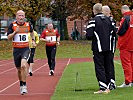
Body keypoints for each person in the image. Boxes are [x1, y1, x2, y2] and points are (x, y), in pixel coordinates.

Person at [86, 3, 116, 94]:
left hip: (98, 47)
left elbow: (89, 35)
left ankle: (103, 87)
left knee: (99, 66)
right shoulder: (109, 20)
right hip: (109, 47)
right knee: (109, 65)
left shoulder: (93, 21)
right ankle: (111, 84)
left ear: (94, 10)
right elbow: (114, 32)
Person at [7, 10, 35, 95]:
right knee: (19, 69)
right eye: (19, 15)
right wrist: (15, 32)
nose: (21, 17)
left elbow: (32, 32)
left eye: (22, 15)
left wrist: (33, 40)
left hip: (25, 49)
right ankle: (21, 84)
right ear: (16, 16)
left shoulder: (28, 25)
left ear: (24, 16)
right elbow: (8, 38)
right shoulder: (12, 25)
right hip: (16, 49)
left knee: (23, 65)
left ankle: (24, 85)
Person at [117, 5, 133, 88]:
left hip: (125, 45)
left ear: (123, 10)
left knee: (126, 64)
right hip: (132, 44)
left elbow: (120, 31)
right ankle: (132, 81)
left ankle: (127, 82)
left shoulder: (126, 18)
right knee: (132, 63)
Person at [102, 5, 117, 90]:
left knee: (109, 63)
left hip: (110, 46)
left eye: (103, 11)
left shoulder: (110, 20)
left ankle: (112, 82)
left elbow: (113, 32)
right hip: (106, 46)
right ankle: (107, 81)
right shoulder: (104, 20)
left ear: (107, 12)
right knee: (105, 64)